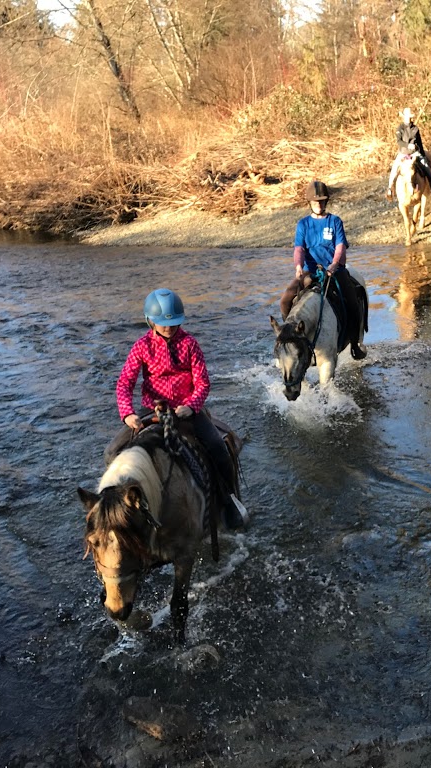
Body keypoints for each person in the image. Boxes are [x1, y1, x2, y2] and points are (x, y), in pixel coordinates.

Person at [108, 288, 245, 528]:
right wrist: (127, 413)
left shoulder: (190, 344)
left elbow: (203, 382)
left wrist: (192, 407)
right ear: (150, 321)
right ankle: (121, 511)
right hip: (152, 410)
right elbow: (125, 383)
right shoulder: (141, 347)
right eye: (162, 324)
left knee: (217, 448)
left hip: (187, 411)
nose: (169, 328)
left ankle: (229, 499)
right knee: (111, 453)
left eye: (173, 324)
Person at [279, 180, 367, 360]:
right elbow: (299, 249)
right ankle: (292, 339)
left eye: (321, 201)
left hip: (334, 271)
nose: (318, 204)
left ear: (326, 202)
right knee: (285, 300)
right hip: (309, 271)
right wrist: (298, 266)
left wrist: (335, 264)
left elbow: (340, 246)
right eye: (315, 201)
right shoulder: (303, 224)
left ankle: (354, 344)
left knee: (352, 302)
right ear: (309, 203)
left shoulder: (335, 221)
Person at [386, 106, 431, 198]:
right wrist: (408, 145)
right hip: (403, 153)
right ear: (404, 117)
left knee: (425, 166)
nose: (409, 118)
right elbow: (399, 141)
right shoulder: (400, 128)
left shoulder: (415, 129)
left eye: (410, 116)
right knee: (394, 168)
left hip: (414, 153)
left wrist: (422, 154)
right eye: (407, 116)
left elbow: (419, 142)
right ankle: (390, 188)